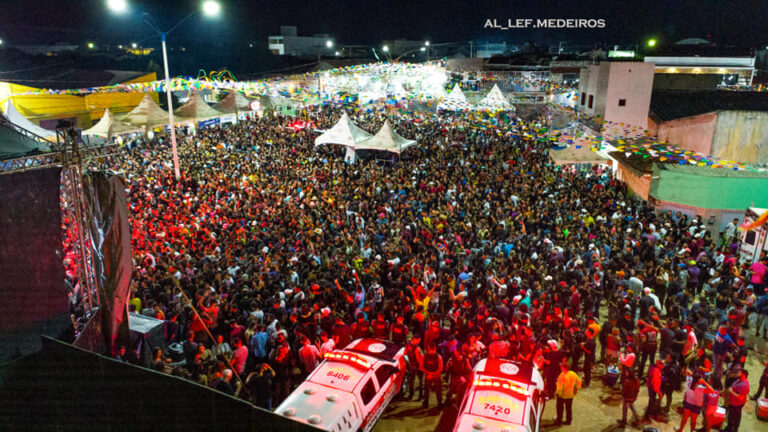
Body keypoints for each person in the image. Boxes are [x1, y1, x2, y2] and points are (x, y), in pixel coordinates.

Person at [421, 343, 443, 409]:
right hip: (436, 376)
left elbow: (421, 367)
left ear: (428, 348)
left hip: (428, 376)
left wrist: (428, 373)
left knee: (427, 389)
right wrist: (433, 374)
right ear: (435, 348)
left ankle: (426, 403)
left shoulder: (424, 356)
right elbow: (440, 368)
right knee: (438, 390)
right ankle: (439, 404)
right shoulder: (438, 357)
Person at [405, 335, 424, 400]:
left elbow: (405, 354)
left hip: (411, 365)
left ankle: (411, 395)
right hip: (417, 366)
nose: (419, 341)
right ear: (417, 339)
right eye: (419, 340)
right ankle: (420, 396)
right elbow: (419, 359)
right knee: (421, 381)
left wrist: (409, 362)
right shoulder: (417, 348)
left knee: (411, 380)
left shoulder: (407, 345)